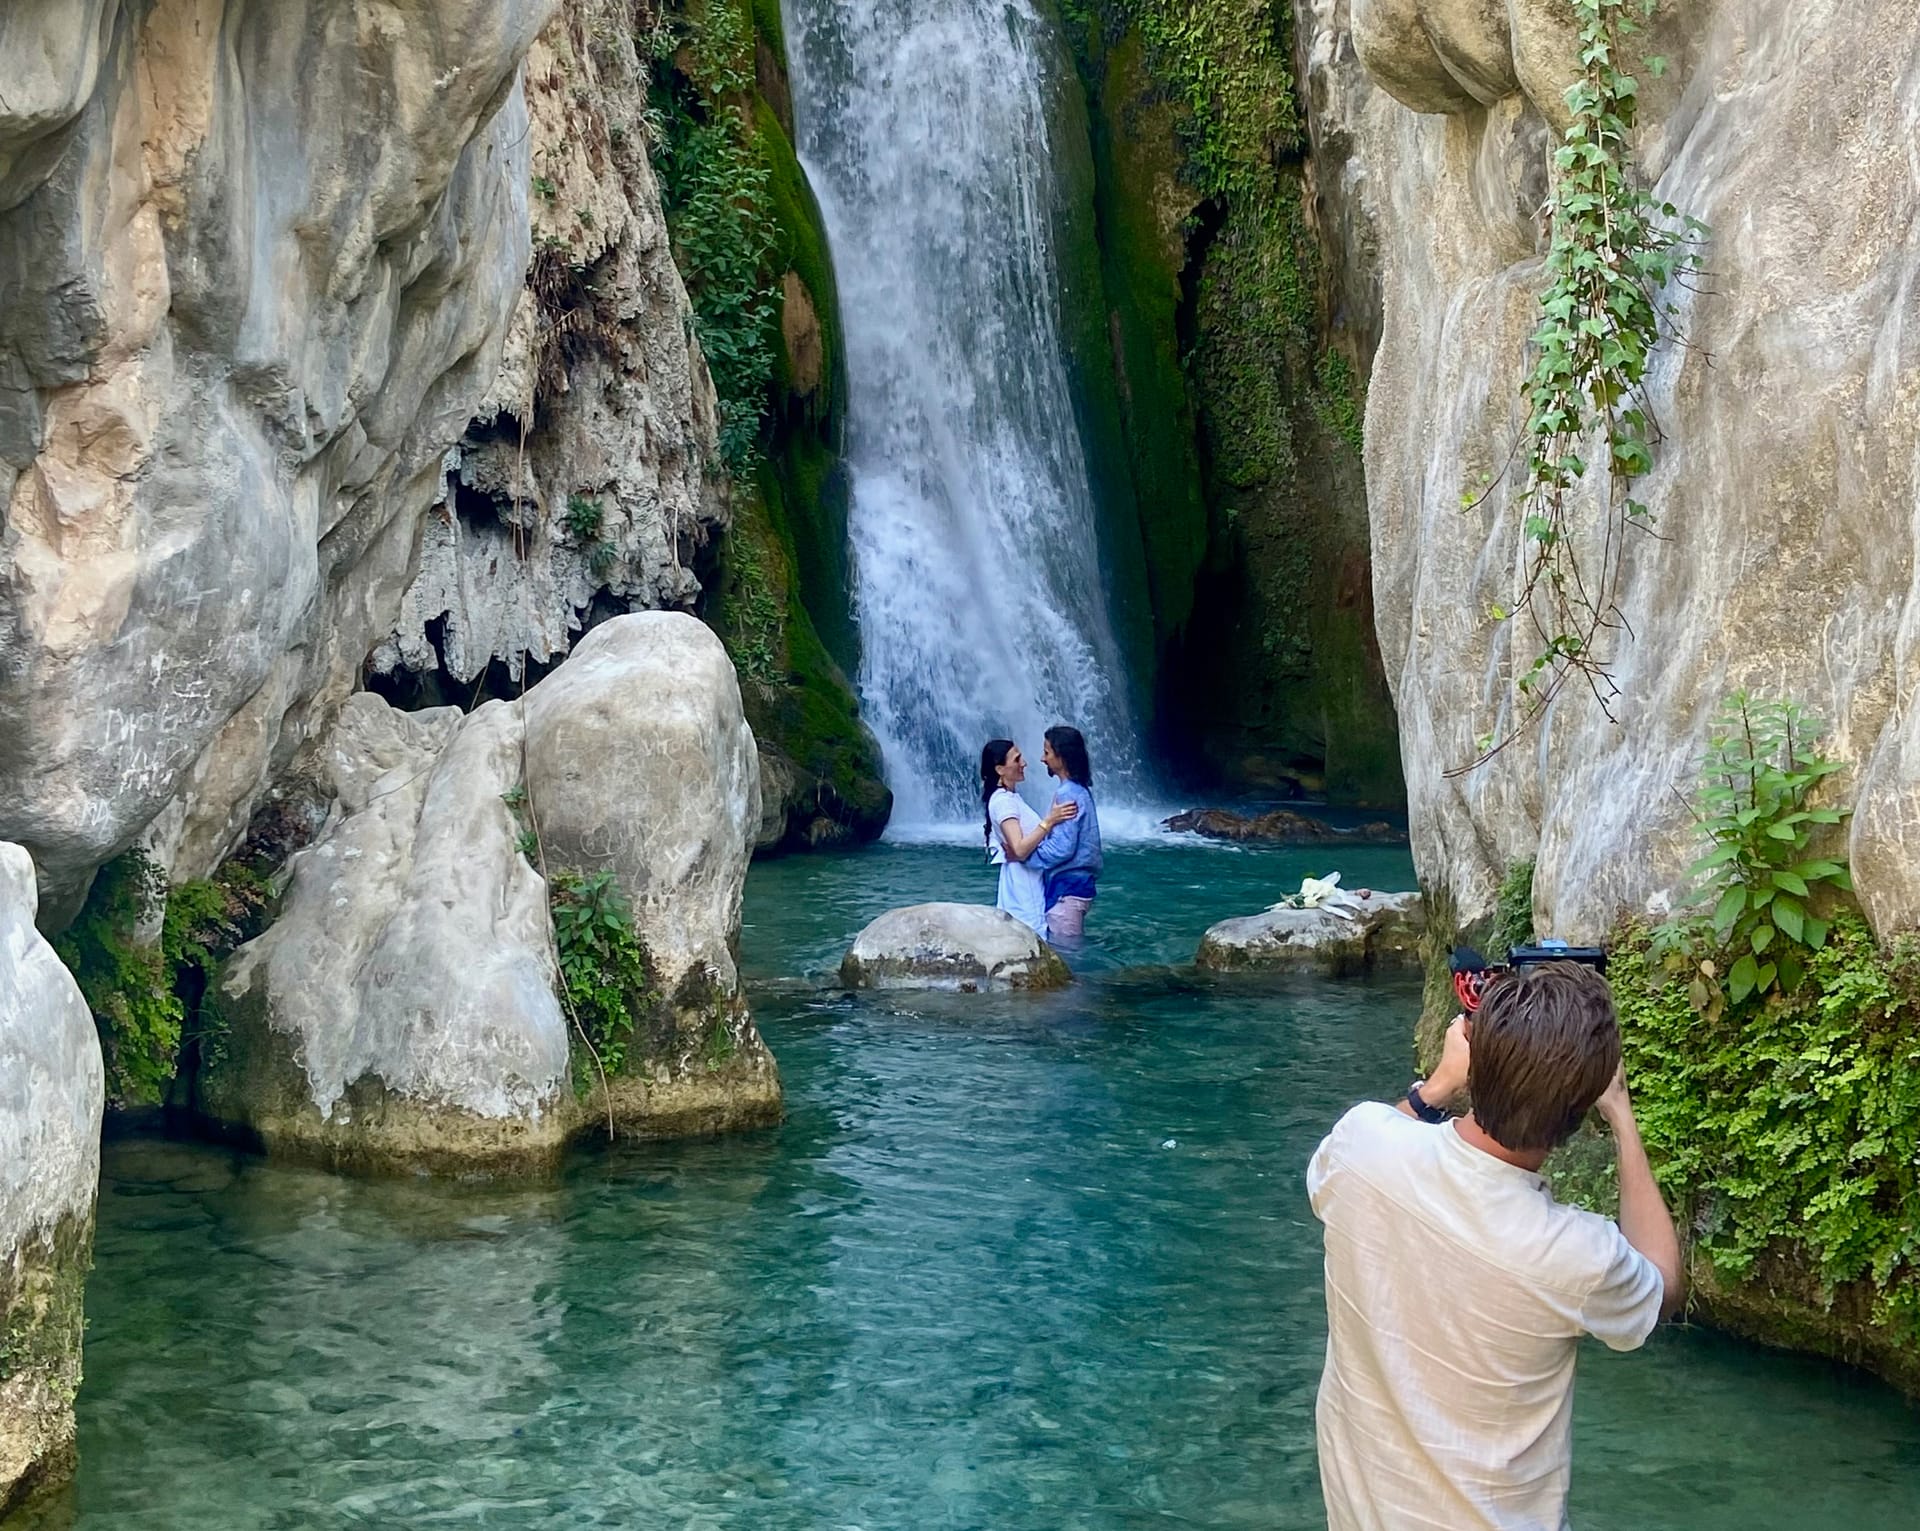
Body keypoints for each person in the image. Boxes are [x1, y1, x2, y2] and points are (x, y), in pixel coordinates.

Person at [1306, 960, 1684, 1531]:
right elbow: (1664, 1288)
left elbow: (1353, 1150)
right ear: (1576, 1115)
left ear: (1474, 1060)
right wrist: (1624, 1117)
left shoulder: (1360, 1147)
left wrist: (1436, 1087)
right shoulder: (1577, 1257)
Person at [980, 739, 1077, 938]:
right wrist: (1049, 821)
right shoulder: (1003, 803)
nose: (1024, 763)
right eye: (1017, 759)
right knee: (1033, 934)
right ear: (1000, 769)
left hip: (1027, 878)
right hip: (1023, 883)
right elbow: (1020, 849)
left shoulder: (1010, 798)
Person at [1029, 725, 1103, 942]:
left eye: (1047, 752)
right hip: (1079, 885)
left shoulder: (1067, 794)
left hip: (1067, 889)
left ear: (1061, 756)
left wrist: (1025, 854)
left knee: (1068, 955)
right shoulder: (1080, 790)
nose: (1043, 759)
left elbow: (1062, 848)